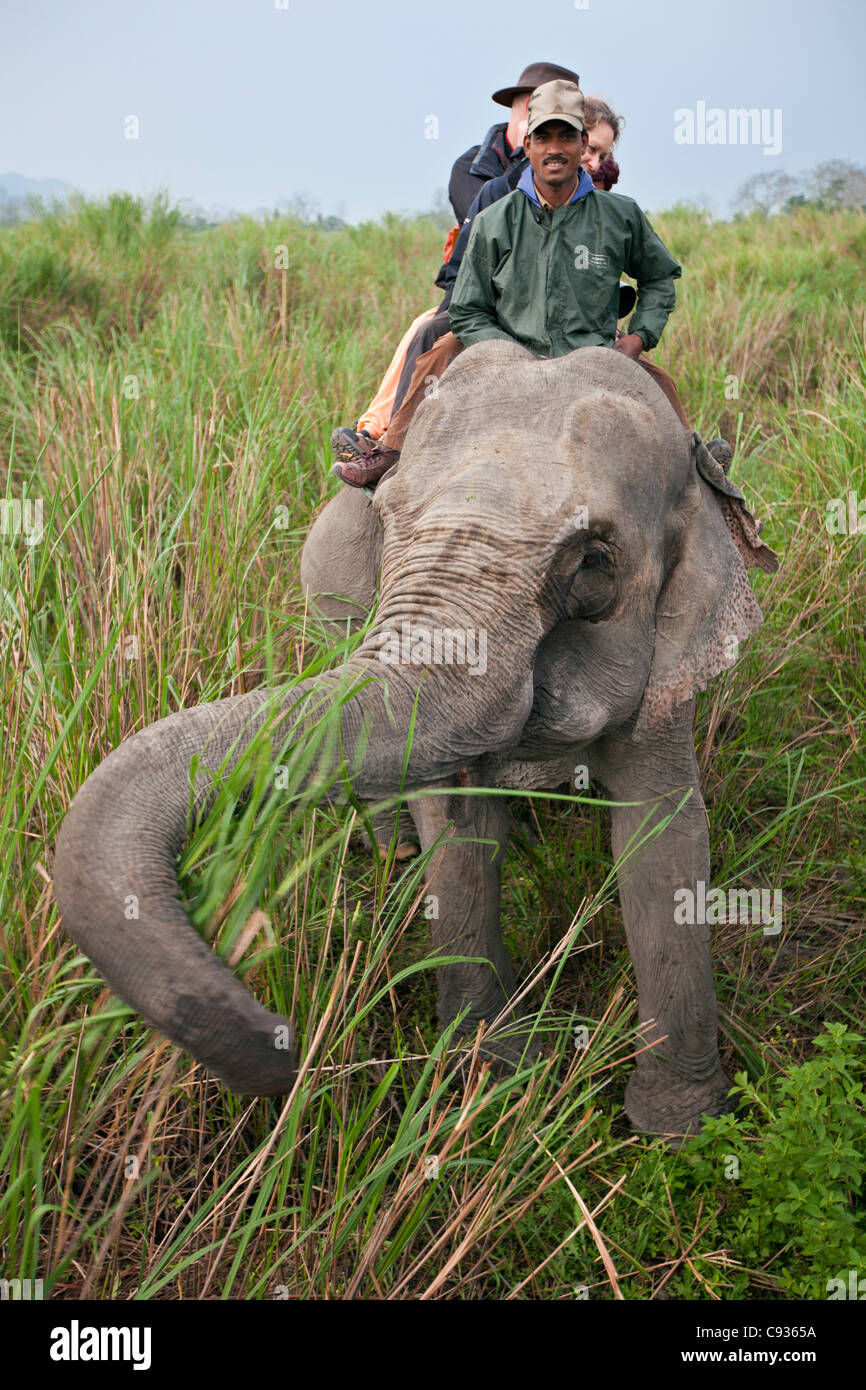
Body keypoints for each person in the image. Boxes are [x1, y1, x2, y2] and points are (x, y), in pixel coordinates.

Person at [332, 92, 622, 486]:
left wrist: (630, 327)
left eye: (598, 153)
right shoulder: (493, 189)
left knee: (643, 371)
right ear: (533, 140)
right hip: (499, 313)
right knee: (433, 336)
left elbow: (642, 272)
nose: (587, 158)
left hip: (578, 324)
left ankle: (689, 456)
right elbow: (468, 275)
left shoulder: (608, 205)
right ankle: (388, 441)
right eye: (551, 138)